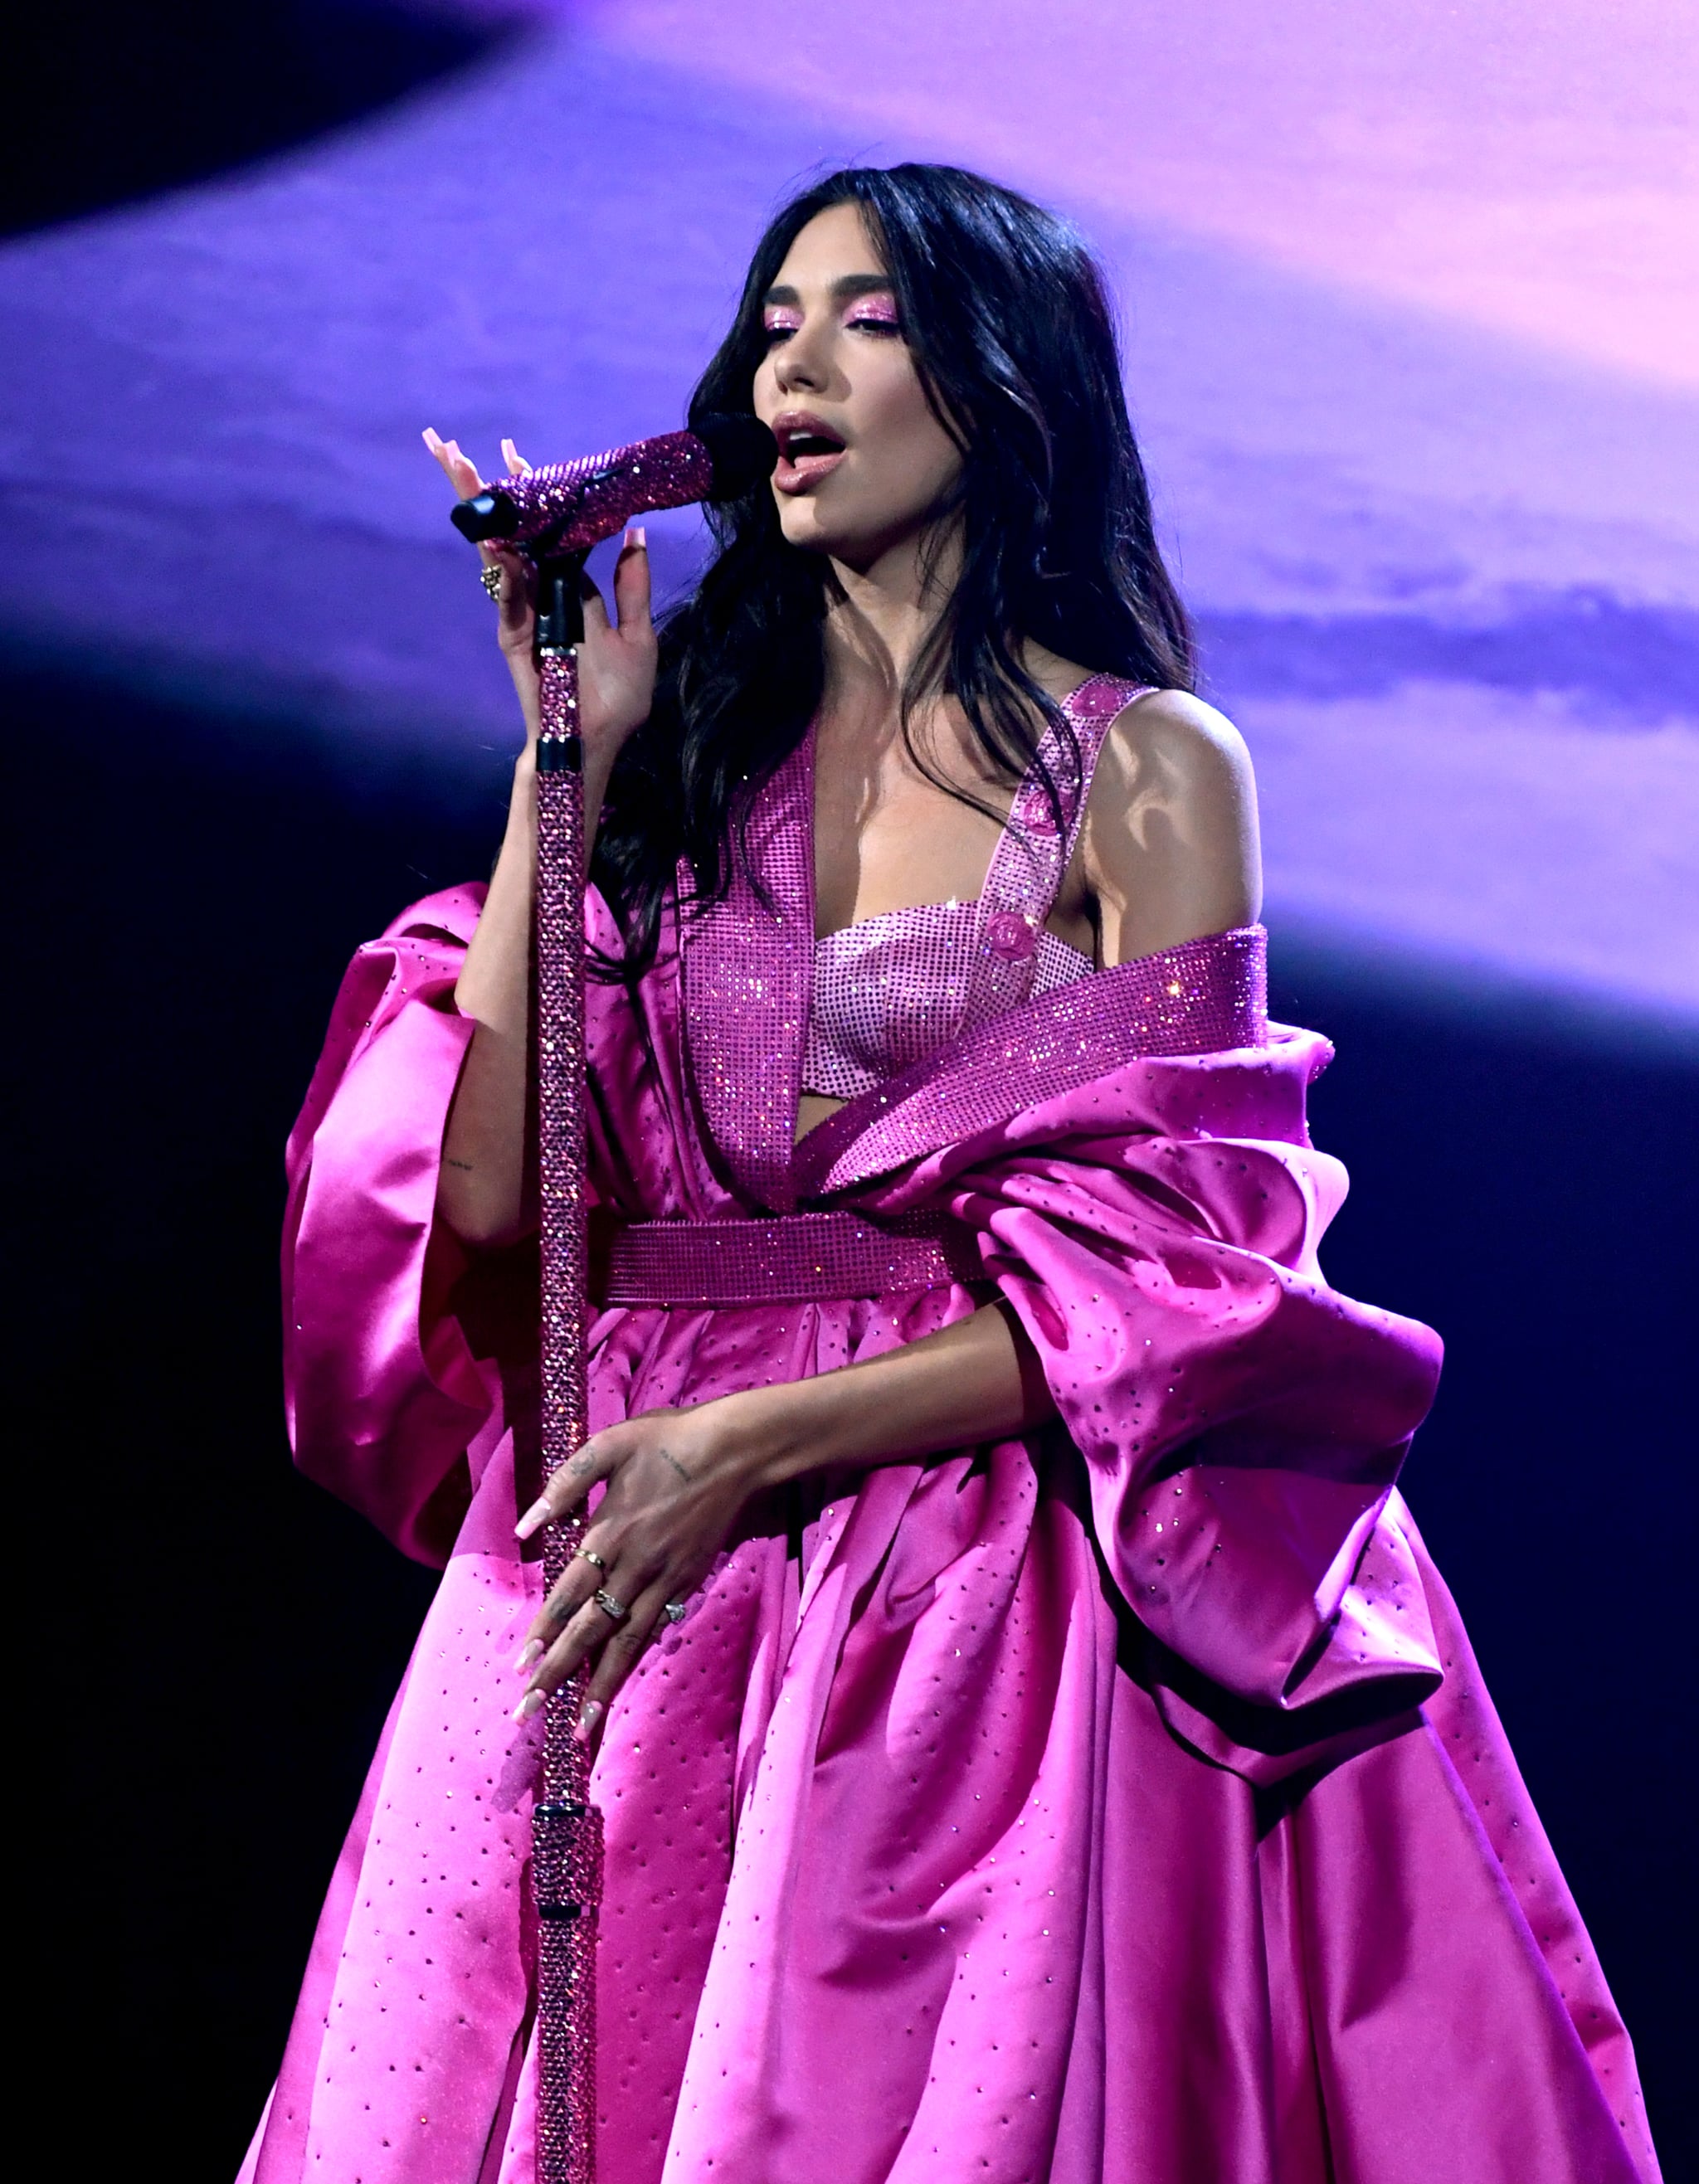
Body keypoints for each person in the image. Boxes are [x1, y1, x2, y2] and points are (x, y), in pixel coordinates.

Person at [242, 166, 1659, 2184]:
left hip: (966, 1589)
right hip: (617, 1580)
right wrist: (566, 758)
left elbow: (1188, 1289)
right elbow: (472, 1207)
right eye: (771, 320)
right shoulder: (667, 772)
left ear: (998, 384)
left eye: (865, 317)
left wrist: (754, 1449)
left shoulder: (1146, 767)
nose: (789, 365)